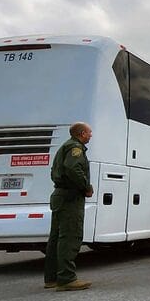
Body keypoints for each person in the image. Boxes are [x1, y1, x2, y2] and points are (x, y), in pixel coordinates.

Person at [44, 122, 94, 291]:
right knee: (70, 236)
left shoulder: (64, 147)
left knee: (56, 237)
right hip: (70, 197)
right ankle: (66, 279)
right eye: (89, 132)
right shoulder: (75, 148)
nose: (91, 135)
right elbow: (73, 168)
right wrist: (86, 186)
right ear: (81, 133)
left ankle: (51, 278)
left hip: (59, 195)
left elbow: (54, 171)